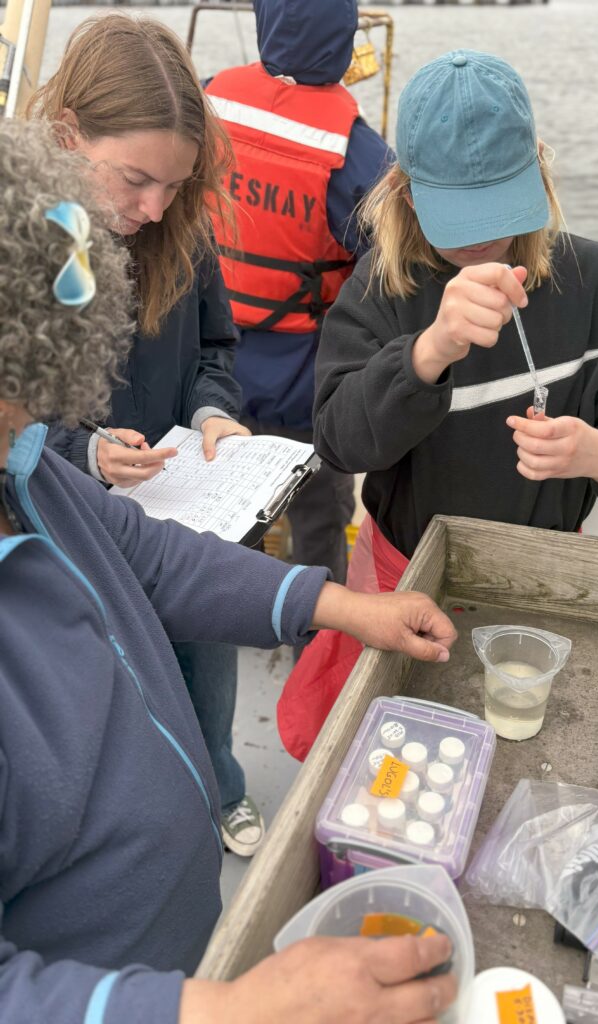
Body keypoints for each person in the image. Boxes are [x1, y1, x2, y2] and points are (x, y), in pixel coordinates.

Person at [0, 116, 458, 1024]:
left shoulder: (28, 470)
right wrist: (230, 1013)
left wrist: (336, 606)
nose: (32, 438)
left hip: (185, 959)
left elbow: (149, 556)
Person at [277, 49, 598, 759]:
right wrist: (427, 352)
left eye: (496, 206)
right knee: (399, 759)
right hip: (403, 577)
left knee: (532, 753)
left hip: (546, 581)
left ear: (537, 173)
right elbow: (339, 443)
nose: (477, 237)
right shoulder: (381, 288)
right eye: (456, 213)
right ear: (406, 195)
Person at [31, 13, 264, 856]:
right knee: (101, 684)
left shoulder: (179, 229)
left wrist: (210, 412)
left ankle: (222, 784)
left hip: (179, 503)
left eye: (175, 186)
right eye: (134, 180)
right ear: (66, 136)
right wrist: (84, 454)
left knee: (205, 651)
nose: (153, 207)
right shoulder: (25, 244)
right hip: (70, 525)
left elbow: (214, 350)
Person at [204, 0, 393, 596]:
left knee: (222, 513)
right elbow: (388, 275)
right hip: (305, 391)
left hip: (209, 375)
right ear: (343, 35)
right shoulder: (360, 154)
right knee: (318, 519)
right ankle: (314, 639)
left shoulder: (207, 99)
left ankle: (226, 608)